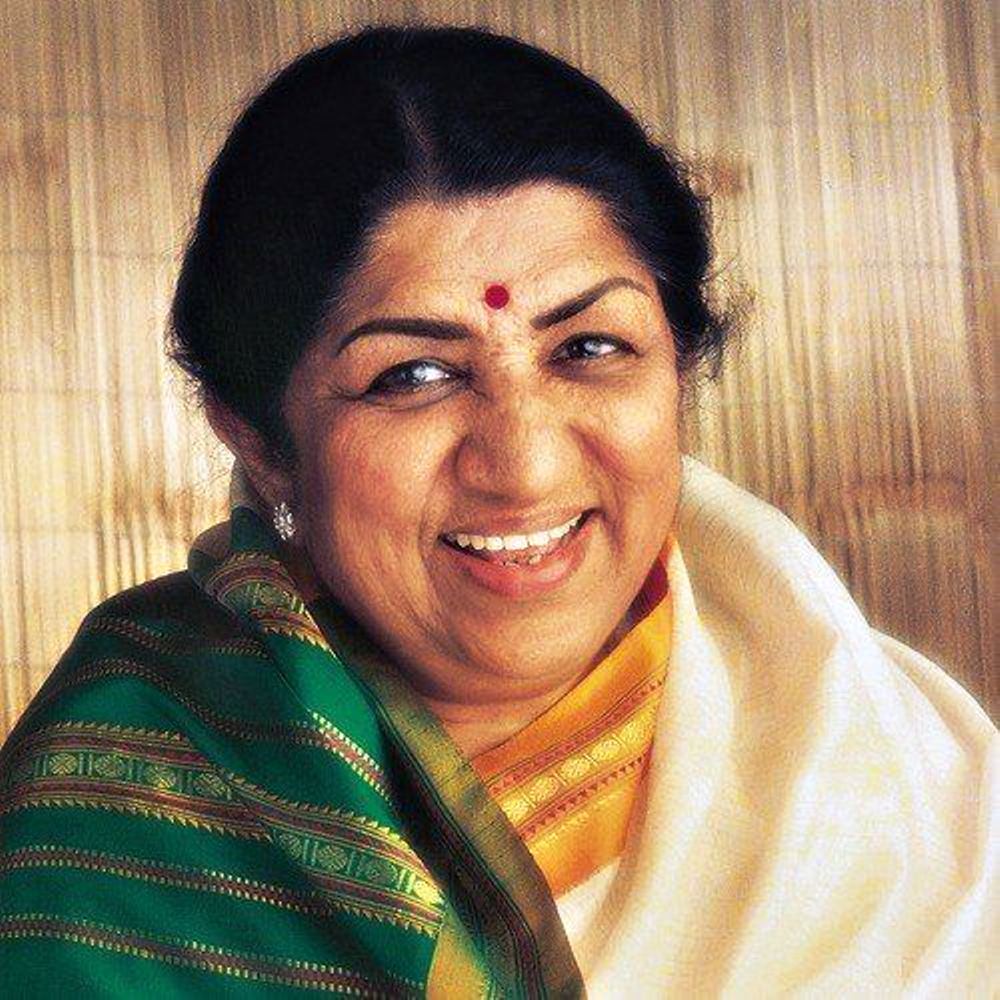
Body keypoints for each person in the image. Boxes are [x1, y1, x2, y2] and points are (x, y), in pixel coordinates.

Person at [0, 23, 995, 998]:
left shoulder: (903, 785)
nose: (523, 466)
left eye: (589, 349)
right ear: (260, 441)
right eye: (413, 375)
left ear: (679, 365)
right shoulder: (113, 818)